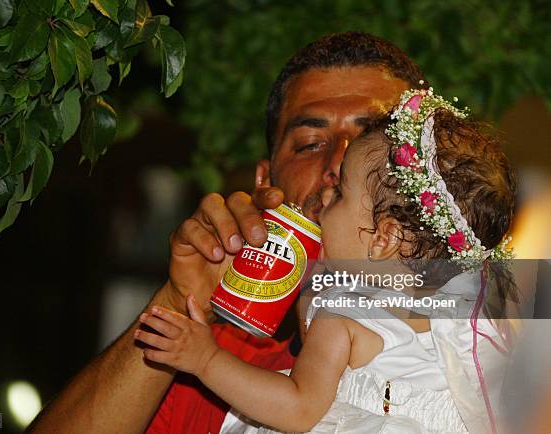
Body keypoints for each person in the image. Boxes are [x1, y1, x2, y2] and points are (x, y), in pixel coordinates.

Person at [27, 32, 426, 433]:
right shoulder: (211, 365)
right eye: (308, 144)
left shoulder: (472, 331)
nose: (339, 164)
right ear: (265, 181)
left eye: (374, 143)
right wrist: (181, 301)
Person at [134, 89, 517, 433]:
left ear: (384, 238)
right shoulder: (469, 323)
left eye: (340, 195)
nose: (327, 196)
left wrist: (205, 359)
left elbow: (299, 407)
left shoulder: (345, 311)